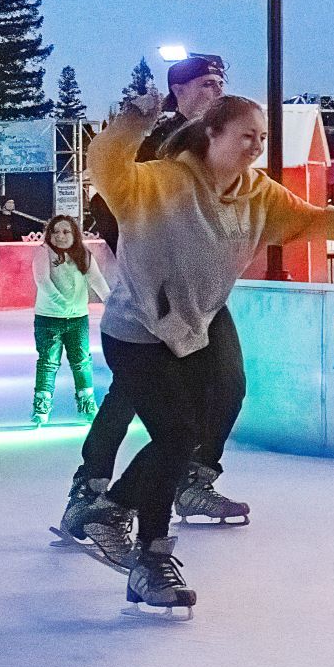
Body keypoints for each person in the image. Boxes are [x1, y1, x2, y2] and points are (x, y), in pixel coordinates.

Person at [72, 92, 334, 610]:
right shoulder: (159, 182)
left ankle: (114, 509)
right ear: (211, 134)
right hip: (137, 331)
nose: (255, 146)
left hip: (196, 328)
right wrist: (132, 122)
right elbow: (107, 164)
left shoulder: (259, 195)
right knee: (177, 435)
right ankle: (149, 555)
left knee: (199, 424)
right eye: (245, 136)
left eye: (262, 138)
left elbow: (313, 220)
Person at [62, 53, 241, 542]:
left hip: (204, 291)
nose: (216, 91)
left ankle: (193, 477)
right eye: (206, 84)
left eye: (221, 83)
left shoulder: (222, 144)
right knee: (132, 393)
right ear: (178, 91)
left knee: (227, 385)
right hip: (152, 294)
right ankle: (90, 486)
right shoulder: (156, 145)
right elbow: (107, 201)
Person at [32, 216, 107, 427]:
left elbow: (97, 280)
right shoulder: (43, 252)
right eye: (56, 231)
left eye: (66, 232)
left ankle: (87, 403)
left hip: (77, 319)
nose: (61, 236)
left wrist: (110, 302)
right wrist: (60, 302)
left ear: (74, 234)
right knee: (48, 362)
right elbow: (42, 280)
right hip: (49, 319)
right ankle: (42, 405)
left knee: (81, 361)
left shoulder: (83, 255)